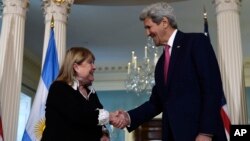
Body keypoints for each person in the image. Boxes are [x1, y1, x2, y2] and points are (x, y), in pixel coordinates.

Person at [110, 2, 227, 141]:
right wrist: (128, 117)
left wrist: (206, 133)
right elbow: (156, 103)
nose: (147, 33)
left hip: (199, 135)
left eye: (149, 27)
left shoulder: (196, 42)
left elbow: (212, 89)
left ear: (164, 22)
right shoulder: (161, 63)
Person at [41, 47, 114, 141]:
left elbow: (98, 121)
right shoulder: (59, 88)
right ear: (76, 67)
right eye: (90, 62)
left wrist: (104, 134)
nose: (94, 67)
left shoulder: (91, 93)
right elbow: (80, 116)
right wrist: (110, 116)